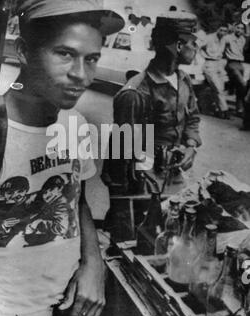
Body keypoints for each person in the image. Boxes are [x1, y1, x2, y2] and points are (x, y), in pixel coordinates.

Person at [0, 0, 124, 316]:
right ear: (24, 51)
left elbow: (76, 201)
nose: (82, 74)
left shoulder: (73, 125)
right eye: (65, 54)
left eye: (91, 58)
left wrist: (93, 266)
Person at [103, 12, 202, 197]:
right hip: (145, 180)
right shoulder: (135, 93)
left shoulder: (184, 80)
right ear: (179, 46)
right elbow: (120, 152)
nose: (197, 48)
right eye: (193, 42)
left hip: (177, 174)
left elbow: (193, 118)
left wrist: (191, 145)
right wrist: (122, 200)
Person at [201, 23, 230, 119]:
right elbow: (197, 45)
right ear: (217, 29)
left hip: (219, 64)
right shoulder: (209, 37)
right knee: (218, 88)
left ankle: (217, 109)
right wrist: (202, 56)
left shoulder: (224, 39)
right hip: (209, 64)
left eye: (225, 31)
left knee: (220, 88)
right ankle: (224, 110)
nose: (223, 32)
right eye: (221, 30)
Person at [224, 22, 247, 117]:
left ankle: (239, 109)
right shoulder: (227, 38)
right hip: (231, 63)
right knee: (242, 84)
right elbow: (220, 48)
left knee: (239, 88)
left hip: (240, 64)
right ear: (234, 28)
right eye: (238, 28)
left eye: (242, 29)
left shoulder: (243, 39)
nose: (240, 30)